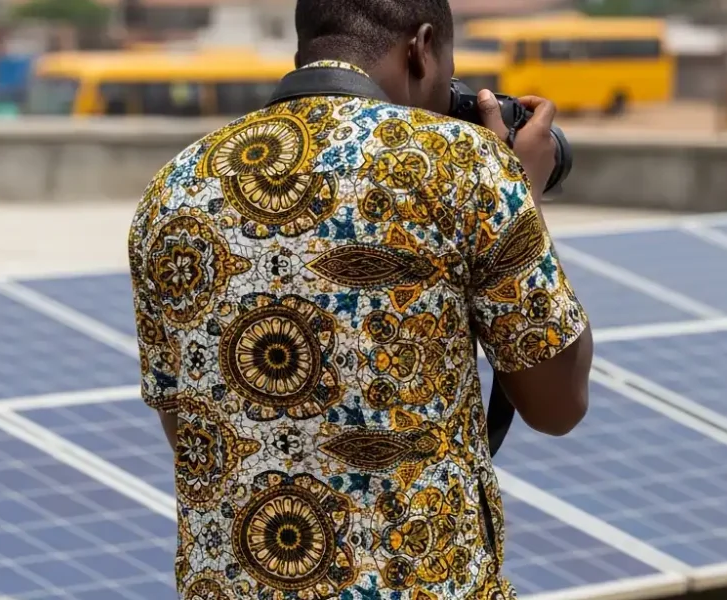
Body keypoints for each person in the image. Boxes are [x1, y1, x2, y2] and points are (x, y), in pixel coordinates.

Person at [127, 0, 593, 598]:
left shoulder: (171, 193)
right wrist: (516, 194)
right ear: (422, 48)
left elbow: (195, 431)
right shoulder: (464, 168)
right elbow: (558, 404)